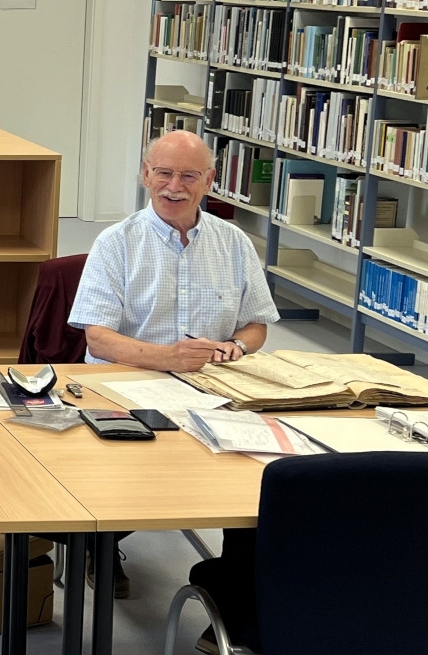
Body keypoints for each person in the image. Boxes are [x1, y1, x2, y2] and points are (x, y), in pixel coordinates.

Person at [67, 130, 279, 609]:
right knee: (131, 465)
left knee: (260, 475)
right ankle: (101, 544)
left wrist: (235, 350)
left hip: (211, 385)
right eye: (163, 173)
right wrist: (168, 358)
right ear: (145, 175)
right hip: (124, 387)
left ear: (210, 180)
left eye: (189, 176)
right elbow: (97, 337)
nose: (174, 186)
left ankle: (233, 595)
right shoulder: (116, 243)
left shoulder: (234, 243)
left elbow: (256, 326)